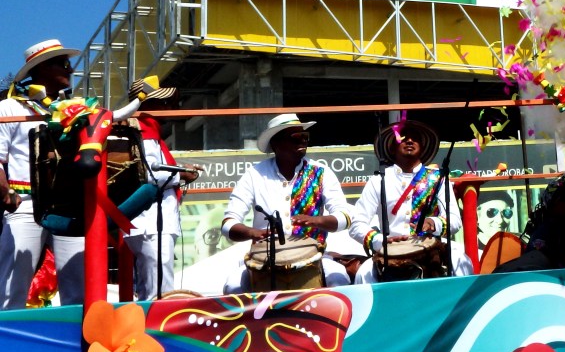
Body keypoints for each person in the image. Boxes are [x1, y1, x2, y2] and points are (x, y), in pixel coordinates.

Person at [220, 113, 353, 292]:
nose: (303, 142)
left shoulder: (321, 173)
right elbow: (228, 224)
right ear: (275, 144)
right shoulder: (255, 174)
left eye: (305, 137)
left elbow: (344, 216)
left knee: (339, 279)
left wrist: (318, 221)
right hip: (264, 258)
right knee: (232, 286)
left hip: (313, 256)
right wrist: (252, 232)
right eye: (296, 138)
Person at [0, 39, 84, 308]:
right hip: (24, 203)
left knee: (79, 286)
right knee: (12, 285)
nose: (70, 69)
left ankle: (78, 346)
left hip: (67, 205)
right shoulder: (10, 108)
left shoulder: (73, 111)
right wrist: (6, 193)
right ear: (41, 69)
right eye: (63, 63)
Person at [350, 119, 473, 282]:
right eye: (403, 137)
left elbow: (455, 221)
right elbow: (356, 224)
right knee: (363, 274)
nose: (409, 140)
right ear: (392, 147)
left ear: (422, 147)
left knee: (462, 262)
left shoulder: (438, 178)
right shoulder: (379, 180)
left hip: (431, 244)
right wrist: (382, 241)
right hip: (390, 248)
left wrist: (433, 223)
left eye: (415, 138)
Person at [124, 76, 200, 300]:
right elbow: (148, 173)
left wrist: (178, 171)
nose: (171, 107)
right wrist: (181, 173)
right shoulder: (145, 135)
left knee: (155, 285)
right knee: (159, 289)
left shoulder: (151, 135)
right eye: (163, 103)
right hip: (151, 223)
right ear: (147, 106)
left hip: (152, 222)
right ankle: (155, 331)